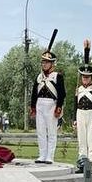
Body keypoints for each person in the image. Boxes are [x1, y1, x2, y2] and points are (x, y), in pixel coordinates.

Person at [30, 36, 65, 164]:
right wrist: (33, 107)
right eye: (43, 62)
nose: (44, 64)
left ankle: (50, 156)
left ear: (52, 64)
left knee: (51, 131)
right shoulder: (39, 77)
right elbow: (34, 93)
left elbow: (62, 94)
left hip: (51, 104)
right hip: (40, 105)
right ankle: (42, 154)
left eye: (46, 62)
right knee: (40, 131)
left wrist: (59, 107)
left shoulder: (57, 77)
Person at [73, 41, 92, 173]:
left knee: (91, 142)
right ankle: (82, 164)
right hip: (80, 114)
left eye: (87, 77)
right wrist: (74, 119)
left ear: (91, 78)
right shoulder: (78, 89)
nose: (85, 79)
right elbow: (75, 105)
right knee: (82, 142)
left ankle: (91, 166)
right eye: (83, 77)